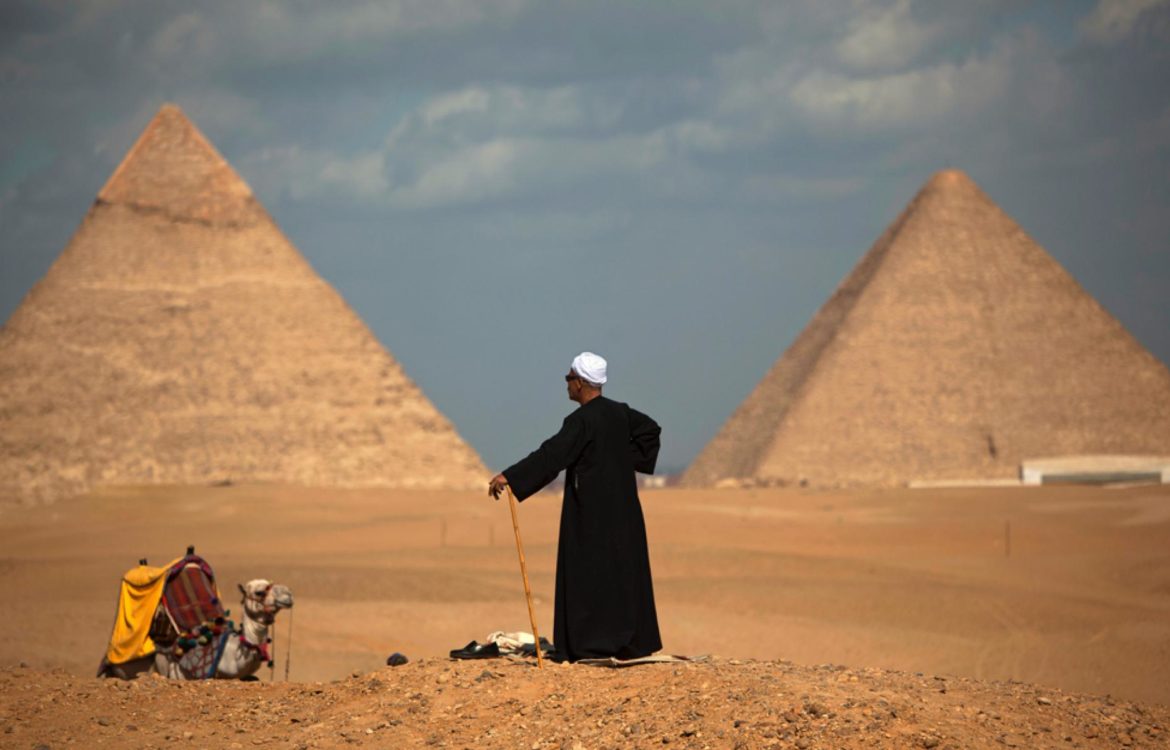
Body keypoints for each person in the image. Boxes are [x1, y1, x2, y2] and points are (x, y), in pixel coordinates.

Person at [489, 352, 663, 662]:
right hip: (624, 512)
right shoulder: (621, 414)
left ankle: (588, 644)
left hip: (590, 514)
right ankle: (628, 643)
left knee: (588, 573)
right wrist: (625, 459)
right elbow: (651, 430)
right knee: (623, 572)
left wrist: (510, 476)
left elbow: (551, 455)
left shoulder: (581, 420)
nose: (566, 383)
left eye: (569, 378)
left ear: (581, 383)